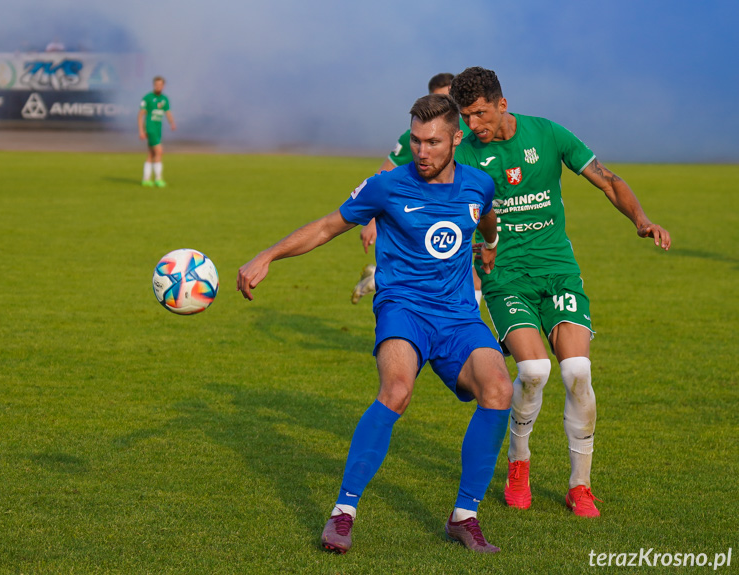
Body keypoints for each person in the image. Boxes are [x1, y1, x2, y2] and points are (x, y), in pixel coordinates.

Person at [238, 94, 513, 554]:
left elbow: (485, 218)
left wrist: (490, 242)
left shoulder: (479, 184)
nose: (421, 152)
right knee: (396, 391)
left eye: (432, 142)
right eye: (416, 141)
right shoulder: (387, 186)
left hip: (458, 316)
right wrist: (268, 255)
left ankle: (464, 516)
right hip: (403, 308)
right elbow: (328, 226)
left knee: (500, 389)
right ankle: (343, 513)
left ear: (455, 140)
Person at [448, 66, 672, 518]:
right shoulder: (467, 156)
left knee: (576, 372)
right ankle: (519, 465)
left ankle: (579, 486)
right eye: (465, 117)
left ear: (501, 103)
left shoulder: (547, 134)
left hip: (558, 270)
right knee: (532, 371)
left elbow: (606, 178)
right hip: (505, 275)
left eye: (479, 114)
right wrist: (477, 250)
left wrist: (641, 219)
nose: (473, 126)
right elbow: (457, 215)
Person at [351, 73, 482, 305]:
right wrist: (371, 220)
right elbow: (383, 175)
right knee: (443, 275)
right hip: (429, 214)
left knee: (474, 274)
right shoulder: (417, 137)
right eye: (439, 98)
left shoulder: (471, 133)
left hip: (469, 210)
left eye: (450, 98)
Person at [138, 76, 176, 187]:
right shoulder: (147, 98)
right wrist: (141, 130)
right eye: (156, 85)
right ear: (153, 85)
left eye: (160, 85)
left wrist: (172, 123)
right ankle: (158, 179)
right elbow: (140, 115)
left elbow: (167, 112)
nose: (158, 86)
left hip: (159, 129)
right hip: (150, 128)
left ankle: (146, 179)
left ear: (163, 86)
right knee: (159, 151)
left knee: (151, 154)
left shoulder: (164, 99)